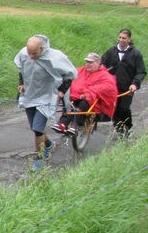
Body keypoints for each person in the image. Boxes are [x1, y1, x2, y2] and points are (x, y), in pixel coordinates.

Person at [14, 34, 77, 169]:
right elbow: (21, 69)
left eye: (34, 53)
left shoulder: (55, 58)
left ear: (42, 49)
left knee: (38, 130)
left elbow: (70, 75)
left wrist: (61, 90)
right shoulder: (24, 53)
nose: (31, 56)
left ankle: (41, 158)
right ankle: (48, 144)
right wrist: (21, 83)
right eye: (29, 52)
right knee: (35, 128)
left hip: (47, 97)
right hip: (30, 95)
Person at [51, 53, 118, 136]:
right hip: (76, 97)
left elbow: (108, 87)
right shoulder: (80, 71)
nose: (87, 64)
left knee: (84, 102)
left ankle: (75, 125)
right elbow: (71, 79)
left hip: (92, 102)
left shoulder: (105, 75)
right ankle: (62, 124)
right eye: (87, 62)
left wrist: (88, 93)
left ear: (98, 63)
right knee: (69, 101)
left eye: (90, 62)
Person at [101, 29, 146, 136]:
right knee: (115, 109)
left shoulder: (135, 54)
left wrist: (135, 83)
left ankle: (128, 127)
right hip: (112, 88)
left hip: (127, 88)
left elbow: (141, 71)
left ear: (129, 39)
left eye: (124, 38)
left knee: (124, 109)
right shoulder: (111, 51)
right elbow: (102, 65)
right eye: (120, 37)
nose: (121, 40)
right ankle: (119, 129)